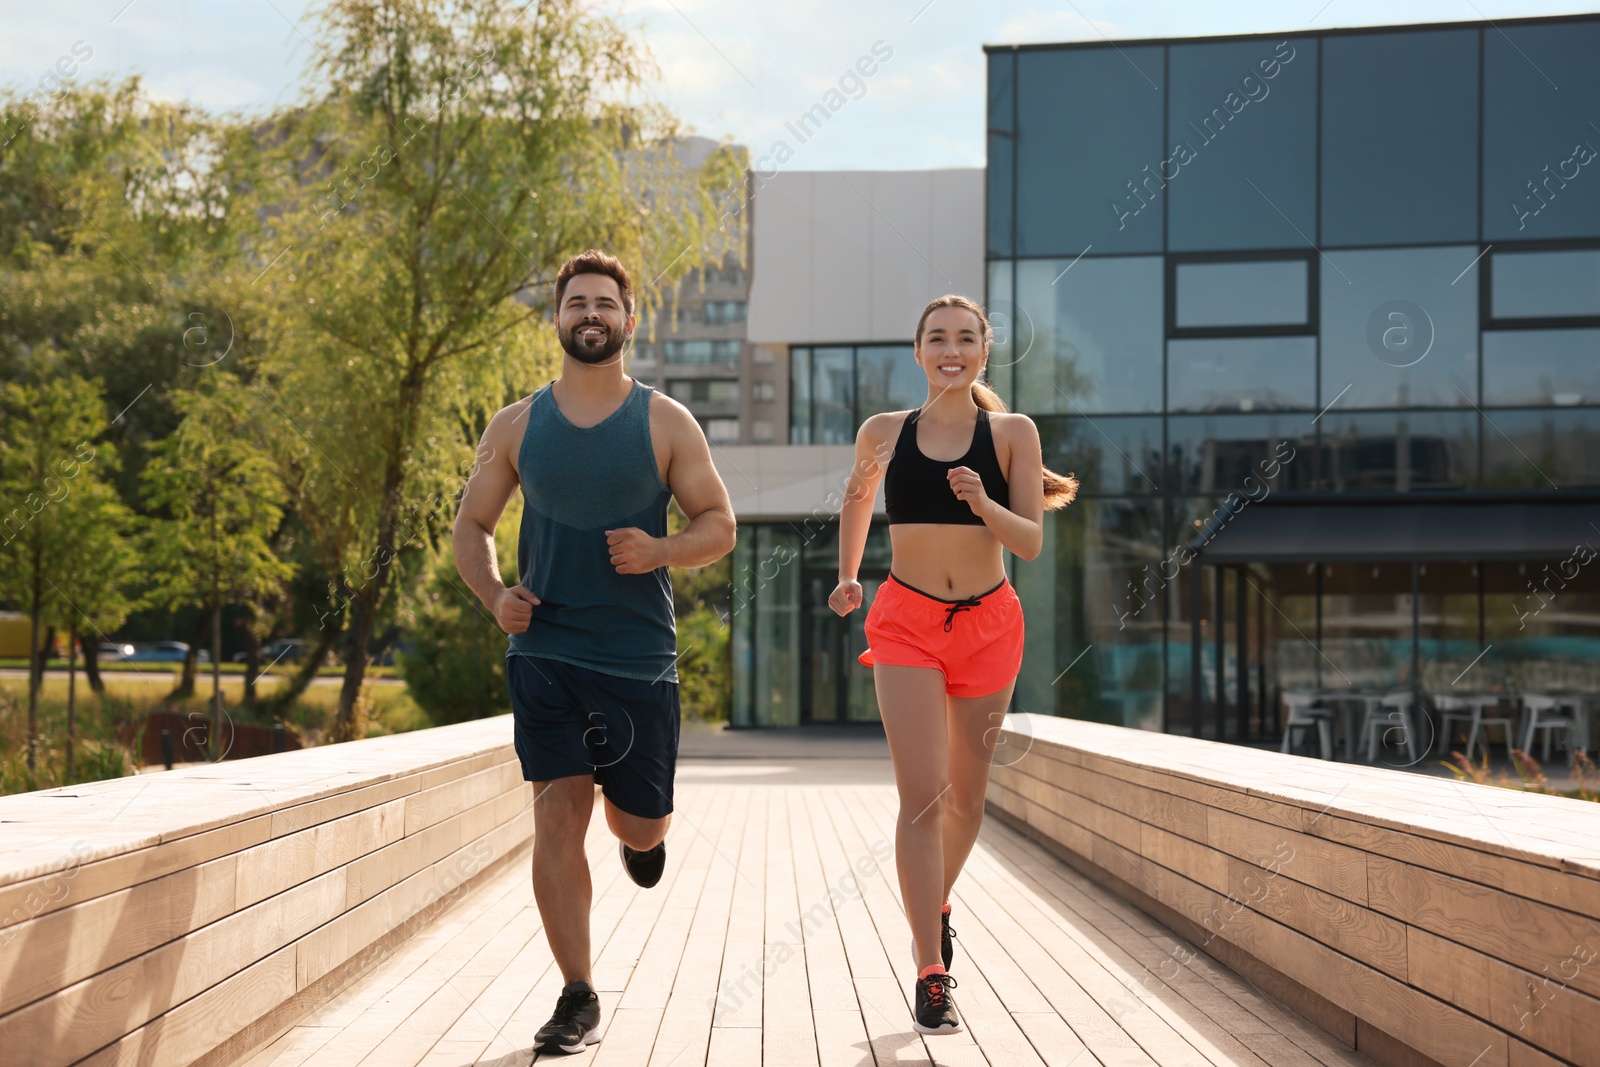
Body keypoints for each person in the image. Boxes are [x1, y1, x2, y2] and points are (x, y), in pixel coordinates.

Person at [453, 249, 736, 1055]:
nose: (590, 313)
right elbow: (471, 526)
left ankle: (641, 839)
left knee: (638, 827)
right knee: (554, 813)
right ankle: (577, 993)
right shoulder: (514, 425)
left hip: (637, 658)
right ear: (557, 318)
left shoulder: (665, 422)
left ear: (629, 320)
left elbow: (720, 523)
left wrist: (659, 550)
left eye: (605, 303)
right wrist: (496, 595)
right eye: (576, 301)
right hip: (545, 651)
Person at [829, 294, 1078, 1035]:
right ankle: (930, 970)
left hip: (988, 624)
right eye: (938, 337)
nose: (951, 348)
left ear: (984, 350)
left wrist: (982, 503)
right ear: (917, 351)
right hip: (906, 622)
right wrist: (848, 573)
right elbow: (856, 499)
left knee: (968, 801)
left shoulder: (1012, 433)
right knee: (924, 799)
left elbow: (1029, 541)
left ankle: (935, 904)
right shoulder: (881, 432)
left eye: (966, 338)